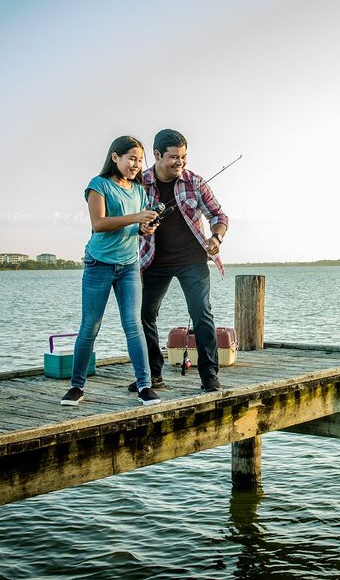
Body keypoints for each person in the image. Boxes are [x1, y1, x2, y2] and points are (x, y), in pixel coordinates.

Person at [61, 136, 161, 406]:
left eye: (140, 161)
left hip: (129, 265)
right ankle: (76, 387)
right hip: (99, 263)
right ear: (115, 157)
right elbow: (99, 223)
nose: (136, 165)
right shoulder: (99, 185)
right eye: (131, 158)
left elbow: (134, 227)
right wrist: (136, 218)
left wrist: (144, 227)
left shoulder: (139, 191)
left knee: (133, 324)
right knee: (90, 326)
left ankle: (144, 386)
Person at [128, 128, 229, 394]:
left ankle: (209, 377)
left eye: (183, 157)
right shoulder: (139, 183)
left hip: (192, 259)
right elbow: (127, 219)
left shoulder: (195, 182)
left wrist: (216, 238)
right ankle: (152, 374)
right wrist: (140, 226)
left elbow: (218, 216)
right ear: (157, 155)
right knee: (144, 315)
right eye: (174, 157)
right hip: (153, 261)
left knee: (201, 314)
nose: (180, 162)